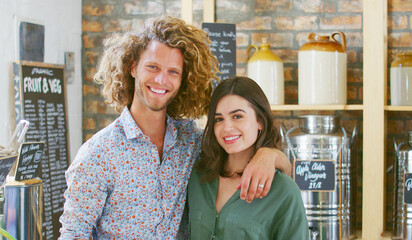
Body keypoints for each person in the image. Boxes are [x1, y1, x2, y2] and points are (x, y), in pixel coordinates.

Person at [59, 16, 291, 239]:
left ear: (183, 80)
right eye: (152, 67)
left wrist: (269, 155)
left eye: (173, 72)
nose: (161, 80)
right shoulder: (98, 154)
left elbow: (246, 154)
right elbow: (74, 233)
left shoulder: (191, 142)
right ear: (132, 67)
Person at [188, 76, 308, 239]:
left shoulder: (284, 191)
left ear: (260, 121)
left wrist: (270, 154)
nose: (227, 127)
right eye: (219, 119)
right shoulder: (197, 177)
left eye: (237, 116)